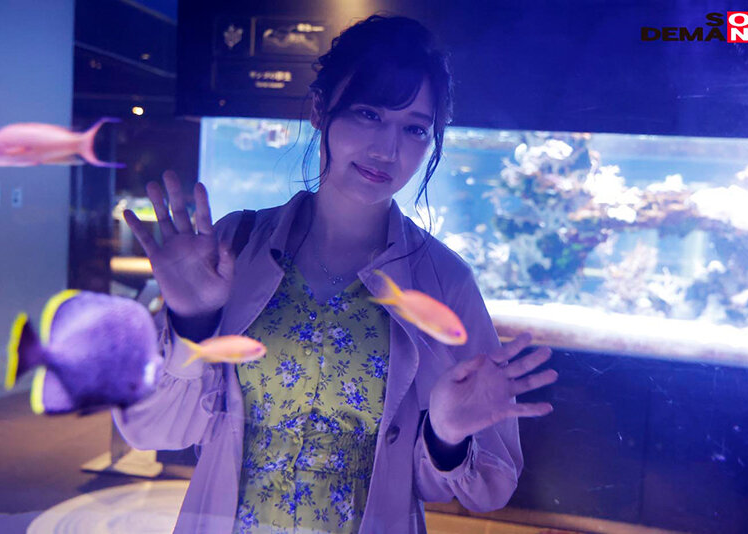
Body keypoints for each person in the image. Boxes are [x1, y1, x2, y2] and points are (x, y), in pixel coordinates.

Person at [114, 14, 558, 534]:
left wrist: (445, 436)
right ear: (319, 109)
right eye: (369, 113)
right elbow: (152, 430)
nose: (387, 150)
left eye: (415, 128)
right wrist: (191, 323)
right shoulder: (235, 245)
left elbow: (488, 486)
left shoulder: (444, 281)